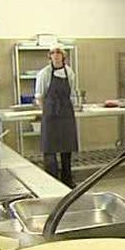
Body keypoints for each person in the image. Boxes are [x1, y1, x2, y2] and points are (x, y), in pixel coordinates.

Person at [34, 43, 78, 188]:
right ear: (50, 56)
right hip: (51, 115)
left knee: (67, 150)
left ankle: (67, 180)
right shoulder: (44, 73)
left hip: (66, 114)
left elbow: (72, 93)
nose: (56, 56)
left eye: (59, 53)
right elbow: (39, 96)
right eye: (53, 53)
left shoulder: (69, 73)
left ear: (63, 56)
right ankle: (51, 182)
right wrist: (46, 111)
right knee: (50, 151)